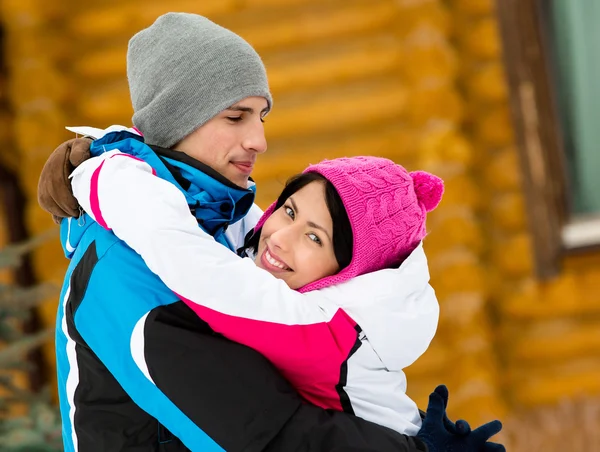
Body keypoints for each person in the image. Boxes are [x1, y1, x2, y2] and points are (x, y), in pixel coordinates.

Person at [38, 12, 505, 452]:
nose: (258, 140)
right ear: (177, 121)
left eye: (261, 117)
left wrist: (408, 424)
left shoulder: (224, 231)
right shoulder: (120, 266)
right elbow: (261, 428)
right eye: (236, 117)